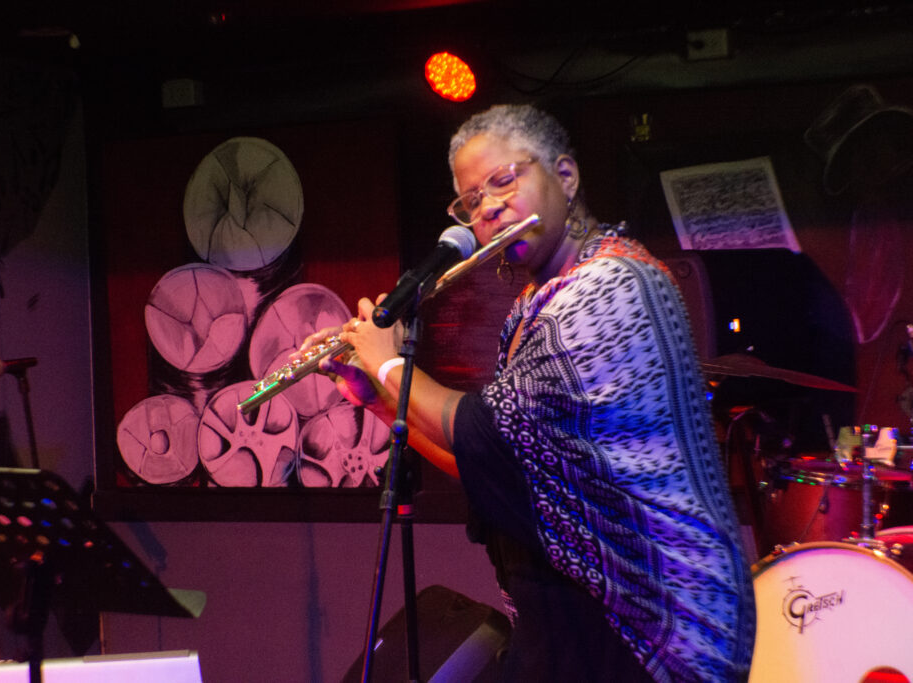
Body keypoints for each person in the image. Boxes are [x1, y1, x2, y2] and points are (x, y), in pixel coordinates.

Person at [302, 104, 756, 681]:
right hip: (580, 618)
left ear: (565, 176)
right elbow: (499, 461)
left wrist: (387, 361)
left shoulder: (609, 287)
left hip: (658, 625)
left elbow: (482, 429)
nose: (488, 209)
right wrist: (376, 397)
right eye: (471, 202)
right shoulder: (533, 307)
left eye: (503, 181)